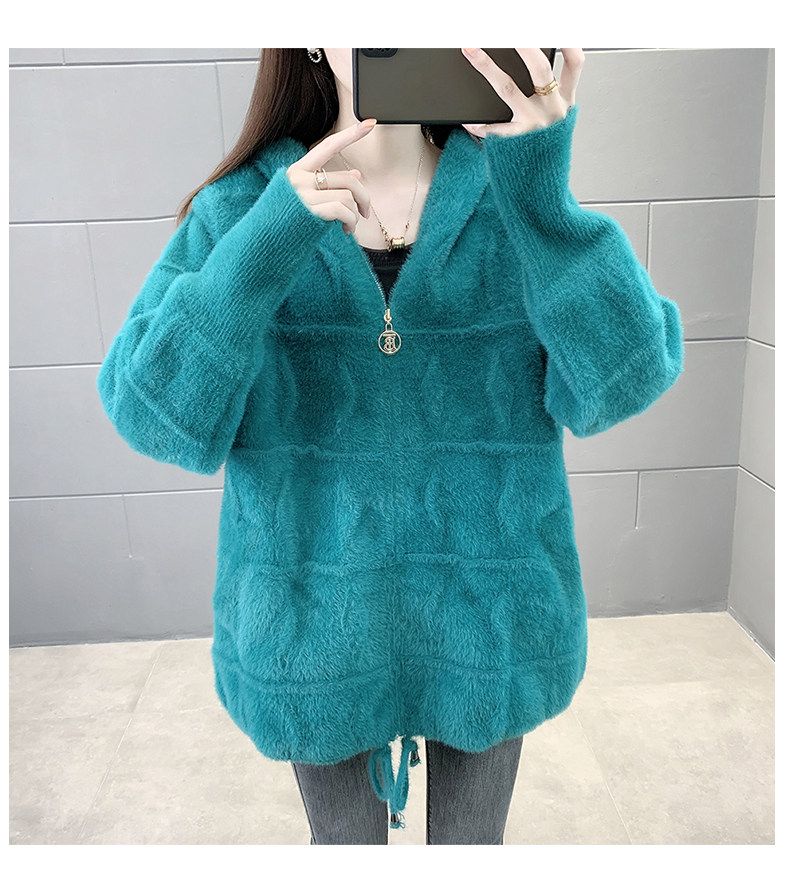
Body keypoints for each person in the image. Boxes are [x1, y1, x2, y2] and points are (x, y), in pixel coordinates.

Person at [96, 48, 684, 845]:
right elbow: (152, 412)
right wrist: (267, 241)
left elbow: (627, 377)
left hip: (494, 622)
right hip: (311, 632)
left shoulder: (512, 194)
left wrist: (542, 197)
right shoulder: (242, 209)